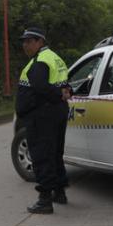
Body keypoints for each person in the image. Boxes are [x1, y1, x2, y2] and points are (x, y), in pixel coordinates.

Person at [15, 27, 72, 214]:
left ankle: (44, 199)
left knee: (41, 156)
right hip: (57, 112)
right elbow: (65, 85)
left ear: (40, 41)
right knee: (55, 153)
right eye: (24, 41)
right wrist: (64, 93)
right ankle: (59, 191)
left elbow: (41, 87)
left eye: (29, 41)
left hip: (42, 115)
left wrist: (57, 95)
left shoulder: (40, 61)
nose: (25, 45)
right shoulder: (55, 58)